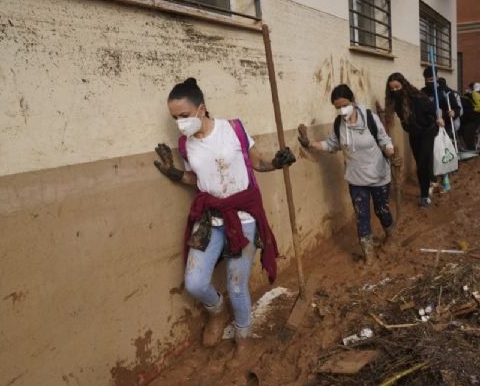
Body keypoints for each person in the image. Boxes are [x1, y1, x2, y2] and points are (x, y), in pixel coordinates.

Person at [153, 78, 296, 365]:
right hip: (209, 218)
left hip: (243, 217)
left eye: (183, 116)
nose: (180, 123)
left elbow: (257, 162)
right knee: (194, 282)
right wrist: (174, 173)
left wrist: (277, 162)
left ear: (201, 109)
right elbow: (197, 179)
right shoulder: (186, 145)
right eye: (174, 118)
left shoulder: (233, 129)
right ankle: (217, 312)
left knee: (236, 285)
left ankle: (244, 339)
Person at [297, 84, 397, 264]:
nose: (342, 110)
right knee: (362, 216)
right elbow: (331, 145)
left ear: (352, 101)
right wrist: (310, 144)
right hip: (356, 179)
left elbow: (384, 139)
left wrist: (392, 153)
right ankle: (369, 256)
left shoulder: (369, 118)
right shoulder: (339, 125)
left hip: (379, 175)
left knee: (382, 210)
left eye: (344, 105)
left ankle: (390, 235)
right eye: (337, 107)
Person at [383, 72, 440, 207]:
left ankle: (424, 195)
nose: (395, 90)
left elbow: (432, 111)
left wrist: (437, 120)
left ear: (404, 84)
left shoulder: (418, 97)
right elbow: (402, 118)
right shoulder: (395, 102)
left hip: (427, 131)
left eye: (397, 87)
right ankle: (428, 183)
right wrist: (405, 125)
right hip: (414, 134)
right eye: (392, 89)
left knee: (421, 164)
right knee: (420, 162)